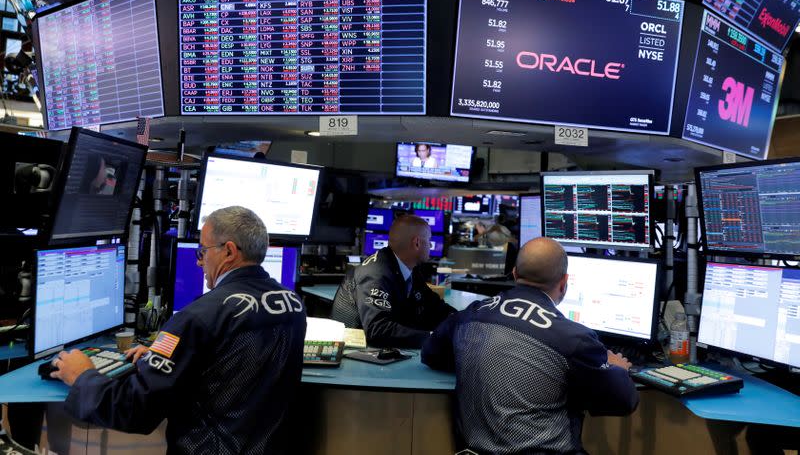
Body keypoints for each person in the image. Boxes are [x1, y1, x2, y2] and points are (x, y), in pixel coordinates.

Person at [49, 206, 307, 454]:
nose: (199, 262)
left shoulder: (199, 316)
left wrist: (82, 376)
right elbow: (236, 366)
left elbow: (136, 410)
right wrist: (169, 354)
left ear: (228, 251)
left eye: (203, 251)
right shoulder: (293, 305)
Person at [422, 237, 639, 454]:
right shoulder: (574, 338)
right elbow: (623, 401)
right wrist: (617, 368)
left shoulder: (470, 315)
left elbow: (430, 353)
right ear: (564, 283)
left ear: (515, 273)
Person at [333, 214, 455, 347]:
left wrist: (464, 321)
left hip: (387, 352)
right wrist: (432, 338)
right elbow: (378, 330)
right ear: (417, 243)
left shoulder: (410, 269)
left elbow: (435, 307)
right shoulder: (376, 274)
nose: (430, 246)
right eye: (429, 241)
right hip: (357, 355)